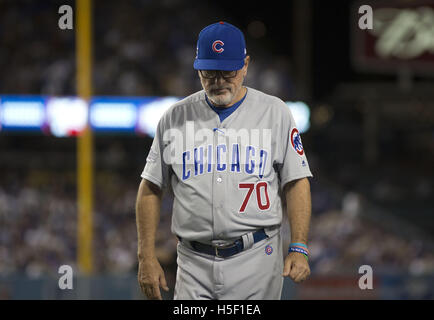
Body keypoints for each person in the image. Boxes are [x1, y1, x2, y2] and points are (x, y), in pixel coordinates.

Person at [136, 21, 313, 300]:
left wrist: (299, 246)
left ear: (245, 65)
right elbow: (150, 188)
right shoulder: (174, 117)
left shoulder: (274, 112)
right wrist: (145, 255)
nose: (218, 81)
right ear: (197, 68)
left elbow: (296, 181)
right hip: (193, 263)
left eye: (227, 71)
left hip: (257, 258)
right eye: (209, 72)